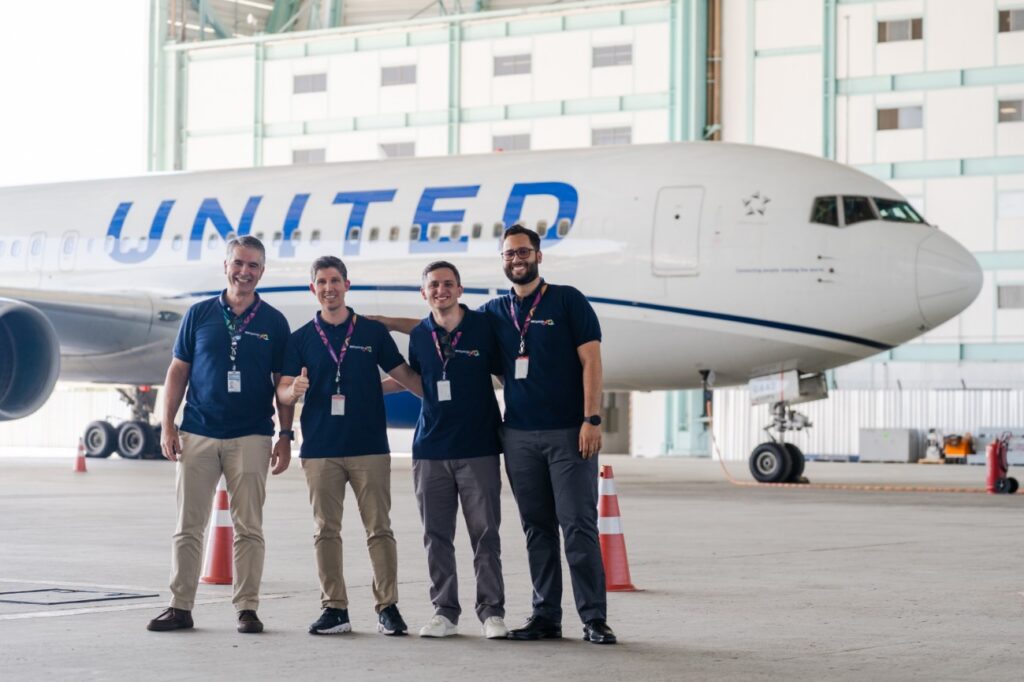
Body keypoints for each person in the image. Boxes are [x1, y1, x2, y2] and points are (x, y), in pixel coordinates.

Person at [374, 225, 616, 644]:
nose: (517, 259)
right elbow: (440, 324)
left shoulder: (568, 300)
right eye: (509, 254)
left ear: (538, 255)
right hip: (518, 435)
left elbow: (592, 360)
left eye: (523, 252)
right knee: (536, 528)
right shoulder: (494, 313)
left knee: (577, 526)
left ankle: (594, 618)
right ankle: (546, 616)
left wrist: (591, 419)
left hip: (567, 432)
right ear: (503, 261)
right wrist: (383, 323)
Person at [148, 235, 293, 635]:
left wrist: (285, 435)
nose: (244, 272)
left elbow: (283, 382)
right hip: (198, 433)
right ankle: (180, 606)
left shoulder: (274, 322)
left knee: (249, 528)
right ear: (225, 265)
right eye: (239, 264)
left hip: (252, 436)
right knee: (188, 525)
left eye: (253, 266)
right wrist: (168, 424)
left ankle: (247, 607)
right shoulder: (198, 314)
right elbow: (178, 371)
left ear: (262, 272)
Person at [277, 256, 422, 637]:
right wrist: (293, 390)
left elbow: (403, 374)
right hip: (320, 449)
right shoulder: (301, 338)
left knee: (379, 529)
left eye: (335, 281)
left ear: (347, 285)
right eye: (322, 282)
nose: (329, 288)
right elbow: (283, 389)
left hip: (369, 447)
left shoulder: (371, 334)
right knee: (326, 530)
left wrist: (443, 402)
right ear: (313, 289)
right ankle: (334, 609)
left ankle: (387, 607)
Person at [384, 260, 507, 640]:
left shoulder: (484, 327)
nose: (442, 290)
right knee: (436, 535)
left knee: (485, 534)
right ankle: (445, 612)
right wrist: (364, 389)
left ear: (460, 289)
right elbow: (417, 381)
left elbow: (505, 376)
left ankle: (491, 613)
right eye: (434, 285)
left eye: (448, 284)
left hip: (479, 448)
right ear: (424, 293)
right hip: (431, 450)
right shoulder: (420, 335)